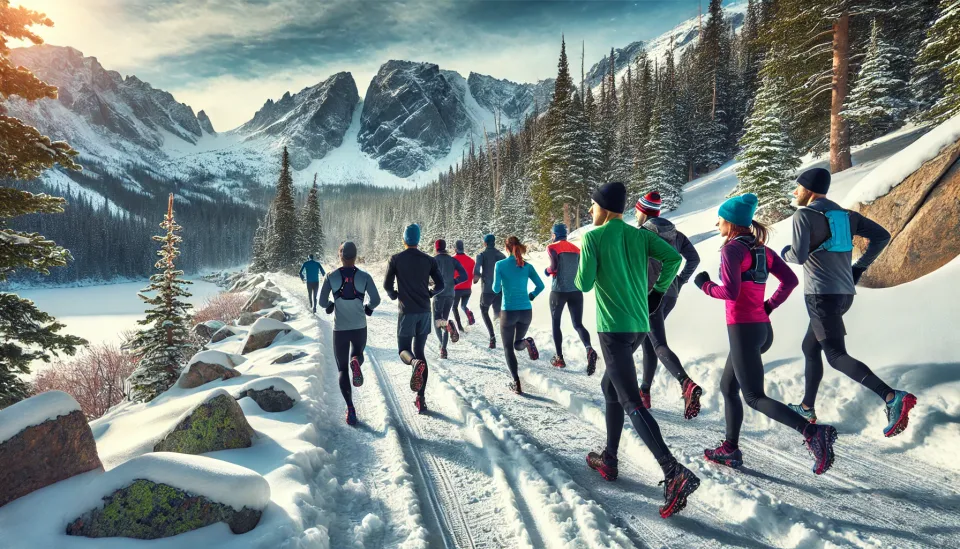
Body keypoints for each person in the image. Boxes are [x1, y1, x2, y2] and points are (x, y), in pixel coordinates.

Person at [576, 181, 699, 519]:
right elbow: (674, 259)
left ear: (604, 208)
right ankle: (610, 458)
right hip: (639, 326)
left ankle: (673, 471)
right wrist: (657, 293)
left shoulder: (593, 237)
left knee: (630, 400)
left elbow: (584, 284)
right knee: (609, 387)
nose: (590, 211)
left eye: (592, 205)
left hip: (613, 329)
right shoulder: (641, 235)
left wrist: (581, 268)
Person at [694, 193, 837, 476]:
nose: (717, 222)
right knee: (727, 386)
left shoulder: (731, 250)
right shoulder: (762, 250)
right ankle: (730, 449)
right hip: (761, 329)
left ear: (731, 222)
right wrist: (768, 306)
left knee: (754, 396)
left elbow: (730, 292)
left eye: (720, 218)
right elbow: (791, 280)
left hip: (743, 330)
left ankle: (811, 432)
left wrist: (705, 285)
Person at [781, 167, 915, 437]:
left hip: (820, 296)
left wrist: (785, 253)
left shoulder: (804, 215)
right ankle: (807, 407)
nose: (795, 192)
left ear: (810, 190)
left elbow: (798, 255)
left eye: (798, 187)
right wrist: (859, 268)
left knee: (835, 355)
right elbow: (882, 236)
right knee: (810, 346)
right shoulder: (846, 215)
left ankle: (891, 396)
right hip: (844, 294)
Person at [635, 192, 703, 420]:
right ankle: (644, 392)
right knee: (649, 341)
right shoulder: (676, 233)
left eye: (637, 210)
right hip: (670, 293)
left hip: (649, 295)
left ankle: (686, 383)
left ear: (643, 212)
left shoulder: (641, 234)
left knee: (657, 342)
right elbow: (694, 259)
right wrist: (680, 281)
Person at [384, 223, 444, 413]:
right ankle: (421, 399)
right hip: (425, 311)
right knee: (420, 351)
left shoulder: (395, 259)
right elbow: (441, 285)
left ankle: (413, 363)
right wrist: (430, 293)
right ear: (418, 239)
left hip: (406, 311)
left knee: (404, 349)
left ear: (404, 239)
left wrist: (394, 295)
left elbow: (387, 285)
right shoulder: (428, 260)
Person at [318, 242, 380, 425]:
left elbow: (322, 301)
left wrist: (330, 306)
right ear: (355, 256)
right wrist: (368, 309)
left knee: (342, 370)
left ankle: (351, 409)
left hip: (340, 329)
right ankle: (356, 361)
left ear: (340, 255)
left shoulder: (331, 277)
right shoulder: (365, 277)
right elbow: (376, 299)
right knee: (358, 354)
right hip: (360, 326)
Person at [492, 236, 545, 394]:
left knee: (508, 348)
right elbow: (540, 286)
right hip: (526, 311)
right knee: (517, 343)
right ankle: (526, 343)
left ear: (506, 248)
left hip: (508, 311)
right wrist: (531, 295)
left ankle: (516, 382)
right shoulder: (527, 266)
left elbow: (495, 289)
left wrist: (500, 281)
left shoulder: (500, 265)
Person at [543, 223, 598, 373]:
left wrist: (547, 271)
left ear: (554, 234)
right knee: (578, 324)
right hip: (576, 291)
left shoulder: (552, 247)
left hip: (558, 290)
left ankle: (559, 358)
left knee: (556, 323)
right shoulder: (576, 249)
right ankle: (589, 348)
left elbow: (554, 267)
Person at [432, 239, 469, 359]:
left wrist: (429, 284)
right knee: (444, 319)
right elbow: (464, 275)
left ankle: (443, 349)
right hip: (450, 294)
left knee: (437, 322)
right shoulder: (453, 260)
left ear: (436, 248)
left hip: (438, 294)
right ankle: (447, 330)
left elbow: (426, 277)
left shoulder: (434, 260)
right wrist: (454, 281)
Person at [474, 234, 507, 348]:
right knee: (498, 314)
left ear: (485, 243)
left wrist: (476, 279)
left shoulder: (481, 255)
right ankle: (506, 337)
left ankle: (492, 337)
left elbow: (477, 270)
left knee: (484, 311)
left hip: (487, 289)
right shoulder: (502, 255)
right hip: (499, 290)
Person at [451, 240, 476, 332]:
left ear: (455, 249)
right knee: (463, 305)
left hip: (457, 288)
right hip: (468, 288)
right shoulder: (471, 260)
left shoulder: (452, 260)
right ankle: (468, 313)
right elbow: (473, 274)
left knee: (454, 307)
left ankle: (460, 327)